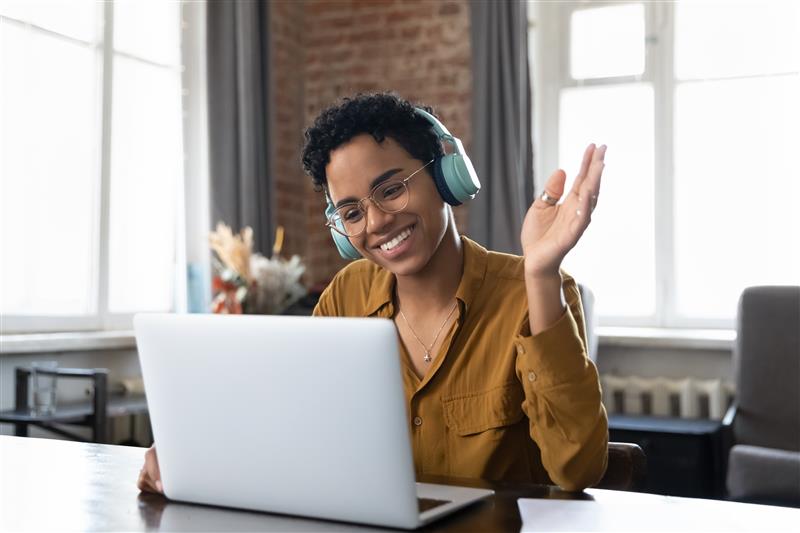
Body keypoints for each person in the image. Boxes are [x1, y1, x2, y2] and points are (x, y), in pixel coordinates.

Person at [138, 92, 608, 494]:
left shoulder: (535, 291)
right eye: (352, 213)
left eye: (392, 188)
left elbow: (576, 469)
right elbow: (295, 418)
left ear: (447, 177)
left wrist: (542, 272)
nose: (377, 222)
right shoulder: (347, 296)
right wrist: (193, 452)